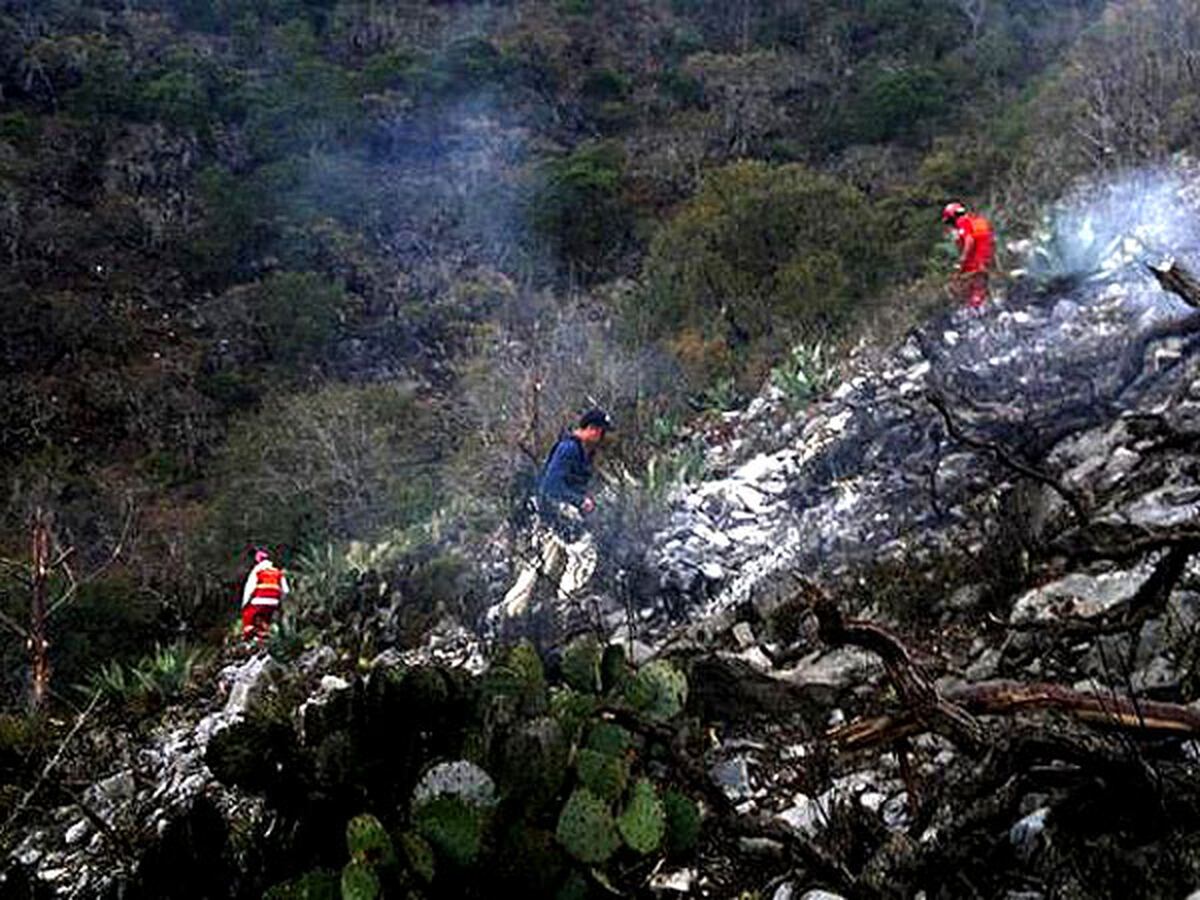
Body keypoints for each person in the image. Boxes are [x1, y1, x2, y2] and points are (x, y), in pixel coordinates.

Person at [491, 408, 614, 629]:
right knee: (584, 555)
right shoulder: (569, 449)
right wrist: (579, 501)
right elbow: (551, 486)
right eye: (601, 432)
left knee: (542, 563)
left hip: (547, 513)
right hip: (554, 509)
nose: (603, 438)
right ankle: (567, 610)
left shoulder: (582, 450)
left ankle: (508, 613)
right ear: (591, 429)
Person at [942, 201, 996, 309]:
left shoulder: (962, 222)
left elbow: (969, 241)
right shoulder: (977, 222)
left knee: (968, 290)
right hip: (985, 262)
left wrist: (961, 261)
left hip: (975, 263)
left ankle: (975, 313)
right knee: (981, 290)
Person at [241, 548, 289, 644]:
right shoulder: (277, 571)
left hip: (259, 600)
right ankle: (265, 633)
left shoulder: (257, 571)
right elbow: (286, 590)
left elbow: (249, 589)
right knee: (265, 616)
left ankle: (249, 636)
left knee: (248, 615)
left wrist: (244, 604)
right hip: (274, 602)